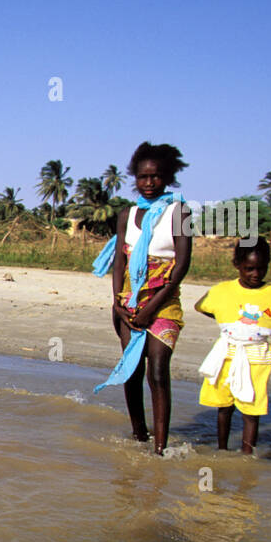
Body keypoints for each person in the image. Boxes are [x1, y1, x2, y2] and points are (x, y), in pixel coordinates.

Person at [93, 142, 192, 455]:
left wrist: (152, 306)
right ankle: (139, 436)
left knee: (158, 371)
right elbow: (120, 262)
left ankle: (160, 449)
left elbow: (183, 263)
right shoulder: (127, 214)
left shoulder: (181, 212)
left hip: (163, 303)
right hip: (128, 304)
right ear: (134, 177)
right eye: (143, 176)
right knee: (132, 371)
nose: (149, 182)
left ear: (168, 177)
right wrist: (117, 302)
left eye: (156, 176)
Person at [194, 238, 271, 454]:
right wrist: (226, 321)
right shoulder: (222, 291)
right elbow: (202, 306)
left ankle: (247, 454)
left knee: (251, 408)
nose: (255, 274)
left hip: (256, 356)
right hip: (226, 353)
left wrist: (269, 324)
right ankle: (222, 450)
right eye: (249, 269)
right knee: (224, 406)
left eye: (261, 269)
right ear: (237, 265)